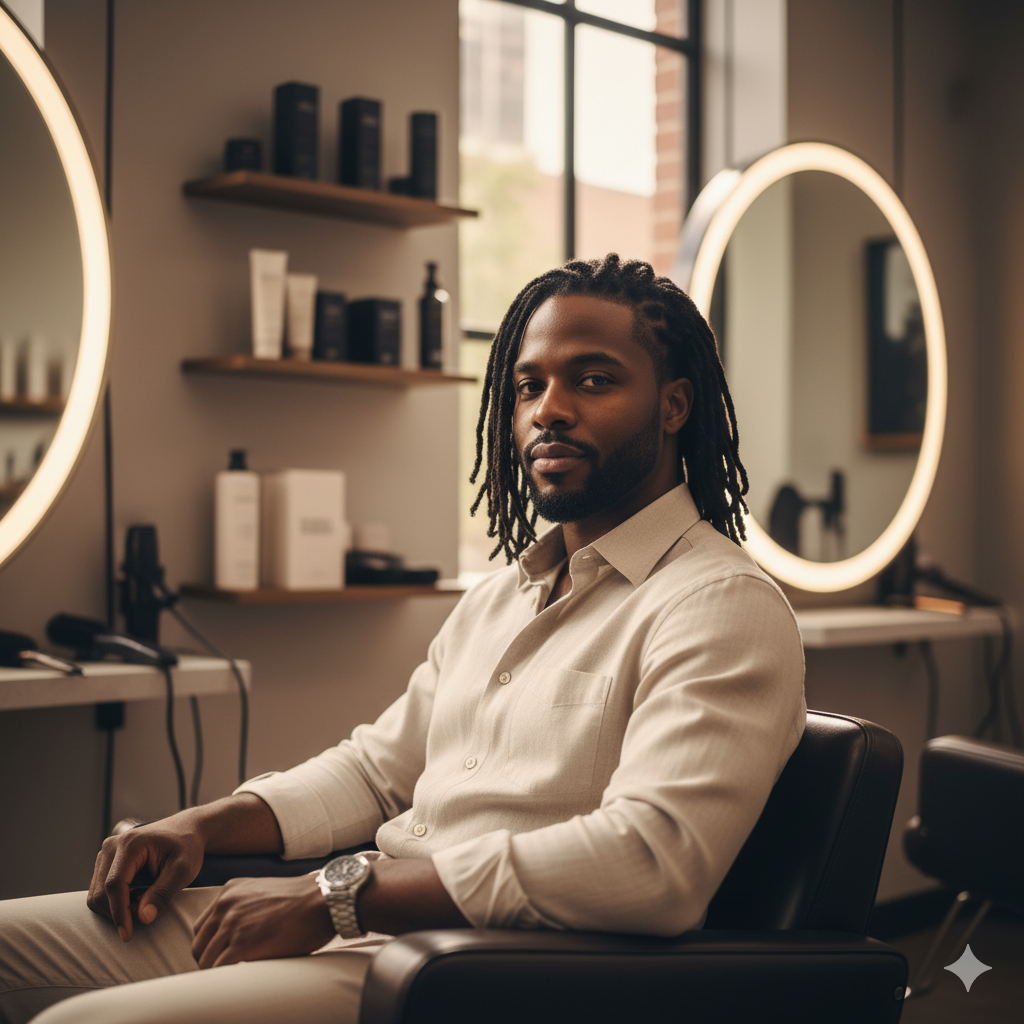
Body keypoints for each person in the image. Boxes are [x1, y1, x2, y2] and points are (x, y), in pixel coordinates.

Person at [0, 255, 805, 1024]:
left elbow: (652, 863)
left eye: (593, 379)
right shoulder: (499, 599)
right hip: (361, 927)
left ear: (674, 406)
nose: (548, 409)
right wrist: (202, 826)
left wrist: (341, 894)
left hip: (483, 973)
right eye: (530, 385)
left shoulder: (719, 604)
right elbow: (378, 773)